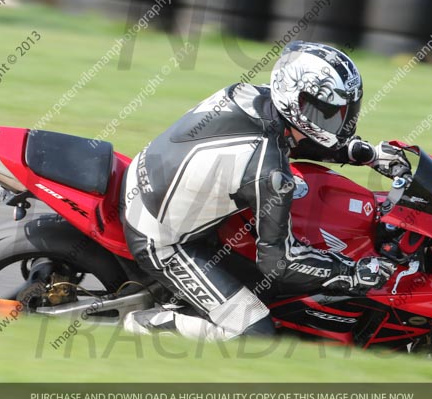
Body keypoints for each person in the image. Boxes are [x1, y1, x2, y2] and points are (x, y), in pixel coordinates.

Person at [120, 41, 411, 341]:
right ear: (297, 103)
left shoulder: (251, 95)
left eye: (346, 111)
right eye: (328, 113)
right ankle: (141, 325)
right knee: (255, 332)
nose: (339, 123)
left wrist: (363, 154)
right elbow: (280, 263)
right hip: (161, 239)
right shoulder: (269, 172)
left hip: (149, 181)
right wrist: (350, 272)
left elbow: (290, 137)